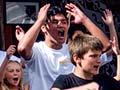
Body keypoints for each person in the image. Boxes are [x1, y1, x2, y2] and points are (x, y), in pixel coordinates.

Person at [17, 3, 110, 90]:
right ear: (44, 28)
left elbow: (106, 46)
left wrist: (84, 19)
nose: (60, 25)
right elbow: (22, 48)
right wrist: (40, 20)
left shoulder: (73, 51)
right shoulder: (37, 50)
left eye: (63, 22)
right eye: (55, 22)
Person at [51, 33, 120, 90]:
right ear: (77, 58)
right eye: (93, 56)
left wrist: (118, 55)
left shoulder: (104, 79)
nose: (99, 60)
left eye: (99, 56)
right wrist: (86, 88)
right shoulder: (65, 80)